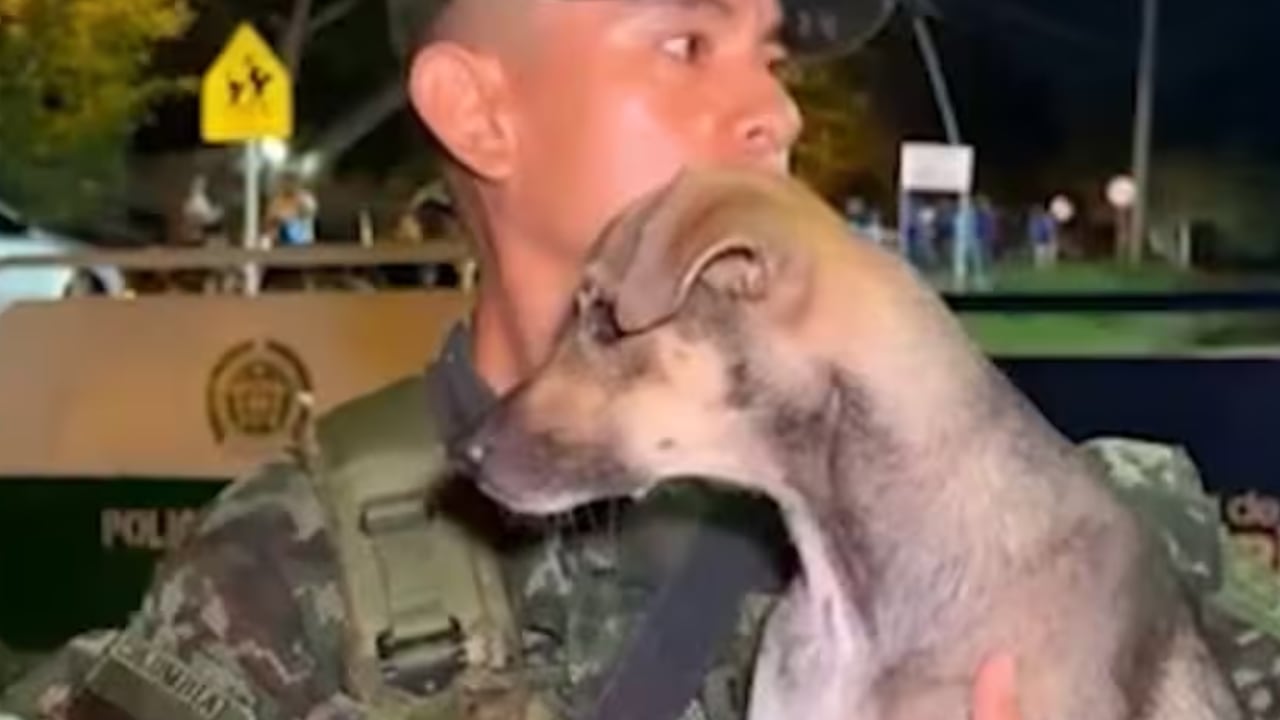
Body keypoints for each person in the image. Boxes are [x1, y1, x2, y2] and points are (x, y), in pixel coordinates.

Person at [4, 0, 1279, 719]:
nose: (772, 108)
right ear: (477, 111)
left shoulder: (1105, 534)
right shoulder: (279, 578)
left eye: (768, 55)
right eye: (686, 42)